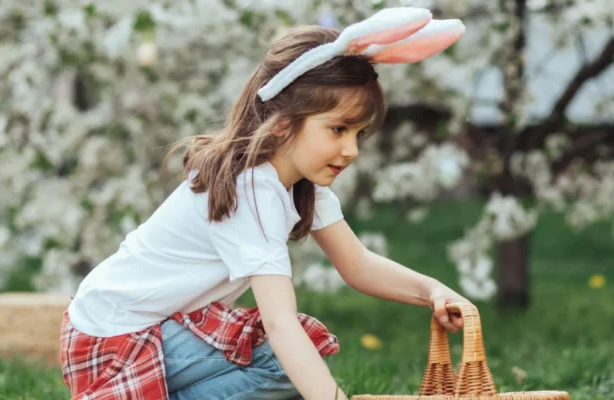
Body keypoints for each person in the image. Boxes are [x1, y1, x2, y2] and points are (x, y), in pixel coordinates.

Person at [60, 7, 469, 400]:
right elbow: (279, 323)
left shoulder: (298, 182)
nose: (352, 150)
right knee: (284, 358)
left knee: (295, 366)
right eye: (338, 129)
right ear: (283, 124)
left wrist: (431, 291)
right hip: (114, 339)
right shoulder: (251, 191)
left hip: (158, 326)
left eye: (358, 134)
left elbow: (357, 264)